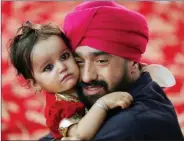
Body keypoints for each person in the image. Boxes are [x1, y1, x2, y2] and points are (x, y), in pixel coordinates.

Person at [60, 1, 184, 140]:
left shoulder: (129, 125)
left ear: (133, 62)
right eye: (79, 62)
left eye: (101, 61)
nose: (87, 76)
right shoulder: (121, 94)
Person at [8, 22, 133, 140]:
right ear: (35, 83)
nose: (62, 67)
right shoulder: (59, 108)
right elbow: (80, 134)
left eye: (64, 56)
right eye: (48, 67)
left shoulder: (77, 80)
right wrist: (103, 104)